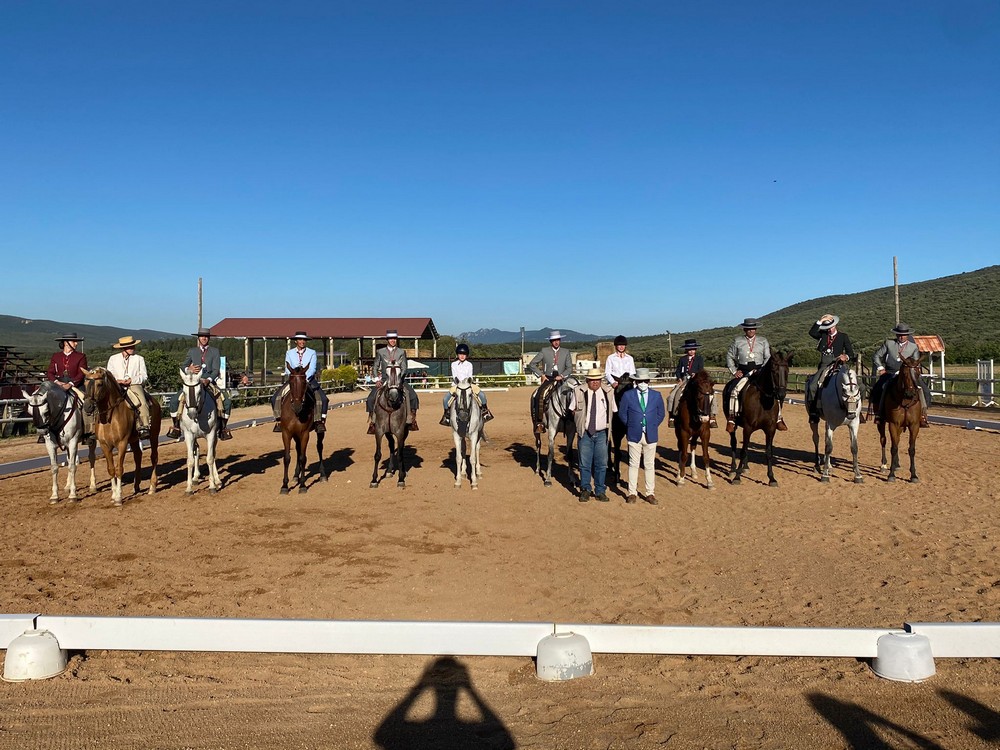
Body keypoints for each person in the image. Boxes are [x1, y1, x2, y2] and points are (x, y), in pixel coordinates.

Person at [166, 327, 233, 440]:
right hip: (193, 382)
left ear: (209, 338)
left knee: (226, 402)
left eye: (206, 336)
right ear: (198, 338)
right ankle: (176, 426)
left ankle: (223, 428)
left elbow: (216, 370)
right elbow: (183, 366)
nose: (204, 338)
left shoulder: (214, 351)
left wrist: (209, 380)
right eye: (202, 336)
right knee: (173, 401)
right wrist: (189, 368)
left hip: (208, 382)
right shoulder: (192, 351)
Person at [725, 317, 785, 432]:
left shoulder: (763, 341)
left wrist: (762, 369)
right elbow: (729, 356)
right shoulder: (738, 341)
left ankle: (779, 418)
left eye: (753, 328)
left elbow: (768, 357)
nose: (751, 331)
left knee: (775, 391)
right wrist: (734, 371)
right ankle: (732, 418)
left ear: (756, 329)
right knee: (734, 391)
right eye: (748, 329)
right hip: (744, 371)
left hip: (759, 371)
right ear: (744, 330)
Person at [616, 367, 665, 505]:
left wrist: (652, 425)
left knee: (649, 464)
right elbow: (622, 413)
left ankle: (650, 493)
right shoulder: (628, 395)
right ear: (636, 382)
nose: (643, 383)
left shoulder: (656, 395)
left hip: (651, 434)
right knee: (633, 464)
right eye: (640, 381)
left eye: (645, 381)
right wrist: (631, 425)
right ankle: (632, 492)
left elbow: (661, 414)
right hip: (634, 433)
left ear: (649, 381)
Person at [570, 368, 618, 503]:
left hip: (602, 433)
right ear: (587, 380)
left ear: (601, 380)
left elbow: (613, 410)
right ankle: (585, 489)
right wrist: (580, 422)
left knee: (601, 464)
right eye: (592, 380)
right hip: (585, 433)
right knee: (584, 464)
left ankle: (600, 491)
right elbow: (572, 409)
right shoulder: (578, 391)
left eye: (597, 379)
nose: (595, 382)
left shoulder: (609, 392)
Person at [872, 322, 931, 428]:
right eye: (899, 334)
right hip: (890, 372)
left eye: (904, 335)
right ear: (896, 334)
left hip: (908, 373)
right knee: (879, 388)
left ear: (907, 335)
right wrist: (881, 368)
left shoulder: (913, 347)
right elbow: (876, 356)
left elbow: (916, 362)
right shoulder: (889, 343)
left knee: (924, 390)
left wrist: (913, 371)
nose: (901, 337)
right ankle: (879, 413)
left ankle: (923, 415)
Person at [270, 332, 328, 433]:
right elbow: (287, 368)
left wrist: (304, 379)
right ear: (296, 341)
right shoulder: (289, 353)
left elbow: (312, 368)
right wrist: (294, 378)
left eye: (304, 340)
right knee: (275, 398)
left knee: (323, 399)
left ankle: (319, 421)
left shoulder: (312, 352)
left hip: (308, 379)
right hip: (293, 380)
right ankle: (279, 420)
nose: (302, 342)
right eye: (300, 340)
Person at [366, 329, 419, 433]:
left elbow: (404, 367)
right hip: (385, 379)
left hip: (399, 379)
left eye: (394, 338)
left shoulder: (401, 352)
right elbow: (375, 366)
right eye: (391, 339)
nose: (393, 340)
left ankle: (411, 419)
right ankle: (373, 422)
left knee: (413, 396)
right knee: (370, 399)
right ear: (387, 340)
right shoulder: (380, 352)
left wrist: (399, 378)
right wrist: (376, 379)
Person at [806, 314, 856, 424]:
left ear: (835, 325)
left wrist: (846, 357)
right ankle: (814, 411)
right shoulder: (822, 335)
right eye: (827, 328)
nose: (830, 329)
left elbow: (851, 353)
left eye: (831, 327)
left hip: (839, 364)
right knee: (813, 386)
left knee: (857, 384)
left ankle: (856, 410)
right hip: (824, 365)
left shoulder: (843, 336)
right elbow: (812, 333)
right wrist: (820, 320)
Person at [44, 332, 93, 442]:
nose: (76, 343)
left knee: (86, 403)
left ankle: (88, 432)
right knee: (46, 403)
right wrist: (57, 382)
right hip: (58, 385)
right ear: (66, 343)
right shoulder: (56, 356)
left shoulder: (81, 356)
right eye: (74, 341)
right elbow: (50, 372)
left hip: (76, 385)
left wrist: (70, 384)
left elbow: (81, 373)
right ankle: (46, 430)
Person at [105, 335, 153, 440]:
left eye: (133, 346)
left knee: (142, 402)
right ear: (123, 348)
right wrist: (117, 381)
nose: (132, 348)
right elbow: (109, 374)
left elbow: (144, 376)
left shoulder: (139, 359)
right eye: (130, 347)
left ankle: (144, 426)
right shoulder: (113, 359)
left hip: (134, 385)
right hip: (117, 385)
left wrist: (132, 380)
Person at [527, 331, 573, 434]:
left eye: (558, 340)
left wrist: (562, 376)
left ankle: (572, 421)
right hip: (548, 379)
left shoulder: (566, 352)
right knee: (539, 395)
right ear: (550, 341)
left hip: (562, 379)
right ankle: (539, 422)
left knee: (572, 395)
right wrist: (541, 375)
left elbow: (570, 368)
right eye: (554, 340)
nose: (556, 342)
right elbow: (532, 364)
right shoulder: (544, 351)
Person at [439, 343, 494, 426]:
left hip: (468, 384)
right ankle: (446, 416)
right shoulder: (453, 364)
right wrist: (460, 384)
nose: (462, 356)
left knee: (482, 395)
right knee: (445, 399)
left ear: (466, 355)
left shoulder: (469, 364)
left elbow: (470, 376)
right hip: (457, 385)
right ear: (457, 354)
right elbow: (454, 376)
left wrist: (467, 383)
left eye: (464, 354)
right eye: (460, 354)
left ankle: (485, 412)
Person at [668, 338, 717, 428]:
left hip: (696, 380)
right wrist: (679, 378)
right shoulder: (682, 359)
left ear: (695, 350)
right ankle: (673, 416)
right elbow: (678, 370)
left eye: (693, 349)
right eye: (689, 349)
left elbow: (701, 370)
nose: (691, 351)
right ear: (686, 350)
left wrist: (696, 374)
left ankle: (712, 416)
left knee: (711, 394)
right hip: (684, 380)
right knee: (673, 395)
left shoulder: (699, 359)